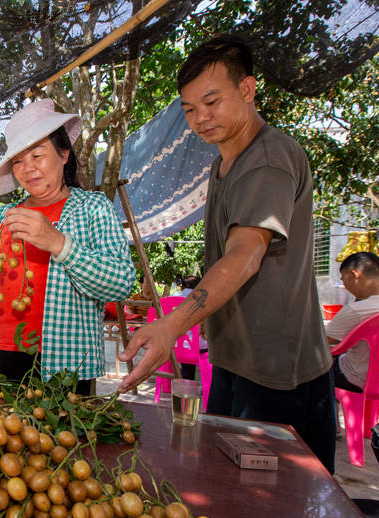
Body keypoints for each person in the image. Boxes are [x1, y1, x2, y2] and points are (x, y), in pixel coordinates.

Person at [118, 35, 336, 473]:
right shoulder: (222, 163)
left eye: (212, 102)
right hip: (234, 362)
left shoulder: (269, 159)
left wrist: (171, 326)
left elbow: (245, 256)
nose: (201, 119)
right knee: (224, 491)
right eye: (191, 110)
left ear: (248, 90)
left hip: (278, 373)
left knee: (275, 511)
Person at [0, 99, 135, 395]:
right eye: (18, 161)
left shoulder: (93, 209)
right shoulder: (2, 216)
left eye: (37, 155)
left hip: (63, 363)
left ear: (64, 154)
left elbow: (122, 283)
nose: (28, 169)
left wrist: (58, 243)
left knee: (59, 438)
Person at [326, 252, 379, 392]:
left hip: (356, 379)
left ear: (354, 274)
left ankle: (325, 411)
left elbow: (324, 340)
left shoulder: (355, 310)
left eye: (344, 280)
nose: (345, 286)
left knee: (315, 365)